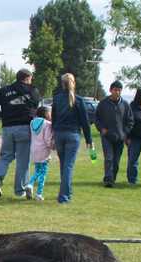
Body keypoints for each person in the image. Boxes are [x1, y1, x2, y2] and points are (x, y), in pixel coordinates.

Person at [0, 68, 40, 198]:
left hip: (8, 128)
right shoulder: (33, 90)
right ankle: (20, 190)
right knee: (23, 161)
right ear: (27, 78)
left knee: (5, 156)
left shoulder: (4, 90)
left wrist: (0, 115)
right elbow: (35, 106)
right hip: (25, 127)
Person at [51, 73, 93, 203]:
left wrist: (53, 135)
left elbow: (54, 119)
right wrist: (89, 140)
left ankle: (67, 193)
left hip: (59, 134)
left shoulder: (56, 99)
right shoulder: (79, 100)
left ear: (62, 84)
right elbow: (85, 122)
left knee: (64, 165)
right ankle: (64, 196)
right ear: (73, 83)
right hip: (73, 135)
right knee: (68, 166)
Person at [95, 80, 133, 188]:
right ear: (110, 90)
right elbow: (96, 118)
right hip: (107, 136)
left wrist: (125, 133)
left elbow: (130, 121)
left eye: (119, 90)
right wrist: (101, 128)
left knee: (116, 160)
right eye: (115, 90)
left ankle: (113, 177)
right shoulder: (103, 103)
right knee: (109, 158)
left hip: (120, 137)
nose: (117, 92)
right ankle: (108, 179)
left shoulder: (125, 105)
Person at [26, 106, 54, 201]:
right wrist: (52, 146)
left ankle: (30, 185)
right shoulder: (47, 124)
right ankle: (38, 193)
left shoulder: (32, 122)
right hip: (43, 151)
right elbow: (47, 140)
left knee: (37, 170)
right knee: (42, 173)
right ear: (46, 114)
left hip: (34, 150)